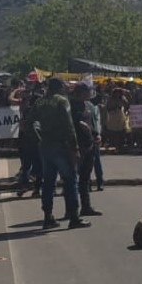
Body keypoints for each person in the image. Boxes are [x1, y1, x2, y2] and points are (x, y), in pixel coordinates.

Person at [32, 78, 90, 230]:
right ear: (59, 88)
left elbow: (28, 122)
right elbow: (69, 125)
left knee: (48, 183)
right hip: (62, 146)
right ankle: (74, 217)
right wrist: (75, 147)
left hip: (45, 146)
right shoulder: (61, 101)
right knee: (70, 180)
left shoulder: (39, 102)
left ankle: (48, 216)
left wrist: (38, 138)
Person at [69, 83, 103, 214]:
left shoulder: (87, 105)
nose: (90, 93)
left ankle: (86, 206)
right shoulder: (70, 106)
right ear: (81, 92)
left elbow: (90, 124)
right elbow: (72, 123)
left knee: (85, 178)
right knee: (73, 179)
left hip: (89, 144)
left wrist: (97, 135)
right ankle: (72, 210)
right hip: (77, 146)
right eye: (88, 91)